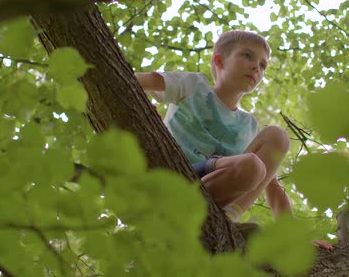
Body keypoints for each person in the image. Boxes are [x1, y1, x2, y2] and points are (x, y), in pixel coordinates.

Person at [136, 30, 332, 250]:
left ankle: (224, 220)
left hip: (209, 193)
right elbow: (136, 80)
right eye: (247, 56)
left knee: (274, 140)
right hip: (171, 177)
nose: (256, 67)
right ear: (219, 61)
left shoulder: (248, 126)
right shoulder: (193, 85)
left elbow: (272, 188)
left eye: (263, 65)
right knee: (251, 164)